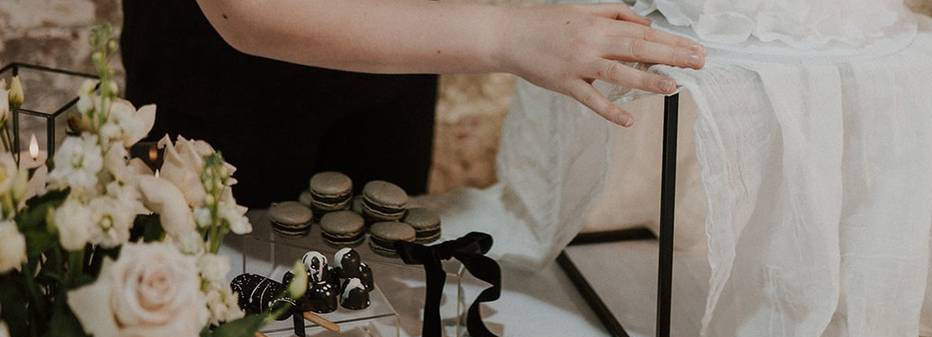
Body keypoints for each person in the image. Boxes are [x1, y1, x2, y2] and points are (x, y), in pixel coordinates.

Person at [122, 0, 704, 207]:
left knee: (375, 286)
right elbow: (246, 12)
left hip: (396, 61)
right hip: (224, 83)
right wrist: (506, 36)